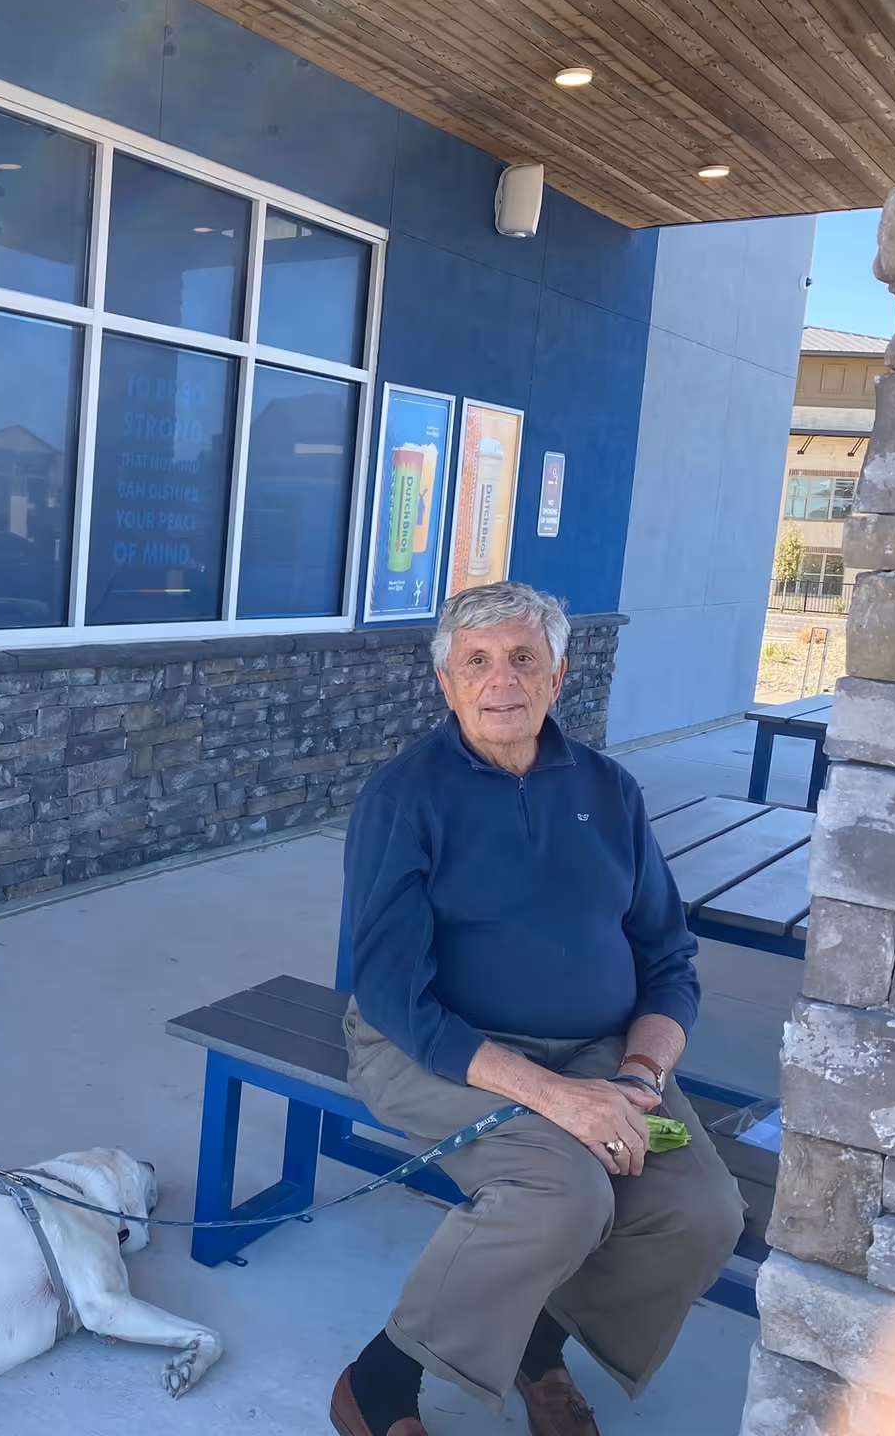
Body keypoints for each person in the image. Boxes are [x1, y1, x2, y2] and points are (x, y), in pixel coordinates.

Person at [330, 581, 745, 1436]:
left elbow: (668, 960)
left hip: (599, 1054)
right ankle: (378, 1383)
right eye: (476, 663)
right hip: (432, 1047)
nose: (502, 681)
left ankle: (535, 1344)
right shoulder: (405, 797)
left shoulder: (610, 791)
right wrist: (554, 1099)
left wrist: (636, 1078)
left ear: (559, 675)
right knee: (561, 1196)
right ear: (446, 685)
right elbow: (391, 990)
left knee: (701, 1213)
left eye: (524, 658)